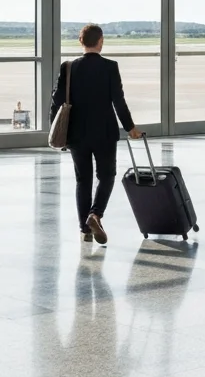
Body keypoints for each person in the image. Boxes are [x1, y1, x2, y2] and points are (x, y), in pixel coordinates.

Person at [48, 24, 142, 244]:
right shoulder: (110, 67)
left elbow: (56, 102)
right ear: (100, 41)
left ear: (81, 42)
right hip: (105, 132)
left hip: (76, 134)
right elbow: (118, 101)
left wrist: (57, 130)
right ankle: (96, 214)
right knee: (107, 176)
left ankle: (85, 228)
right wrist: (130, 128)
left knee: (83, 180)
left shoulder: (68, 67)